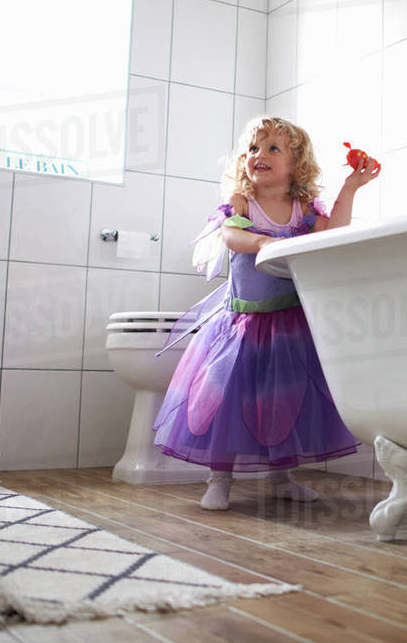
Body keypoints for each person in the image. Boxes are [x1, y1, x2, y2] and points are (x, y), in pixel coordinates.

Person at [153, 117, 381, 511]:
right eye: (254, 149)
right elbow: (230, 234)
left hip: (289, 327)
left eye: (273, 148)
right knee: (225, 399)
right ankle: (219, 478)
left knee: (283, 402)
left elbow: (333, 234)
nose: (260, 155)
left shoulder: (303, 208)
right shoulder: (244, 202)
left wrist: (350, 188)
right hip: (243, 323)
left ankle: (281, 476)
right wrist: (261, 240)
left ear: (296, 165)